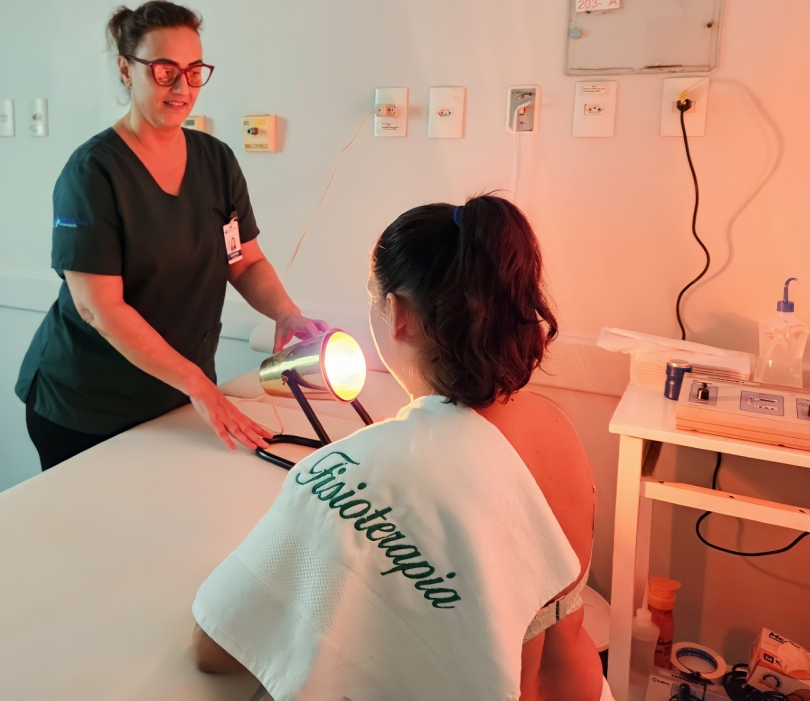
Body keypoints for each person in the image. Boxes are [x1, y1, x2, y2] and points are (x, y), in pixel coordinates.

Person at [190, 195, 609, 701]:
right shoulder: (555, 424)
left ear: (398, 313)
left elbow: (214, 646)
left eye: (374, 300)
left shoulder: (361, 473)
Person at [15, 0, 327, 470]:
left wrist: (285, 313)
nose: (182, 88)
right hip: (88, 404)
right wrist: (198, 384)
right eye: (165, 71)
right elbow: (98, 308)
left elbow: (244, 260)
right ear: (127, 69)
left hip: (175, 395)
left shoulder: (216, 161)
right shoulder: (93, 173)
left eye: (194, 71)